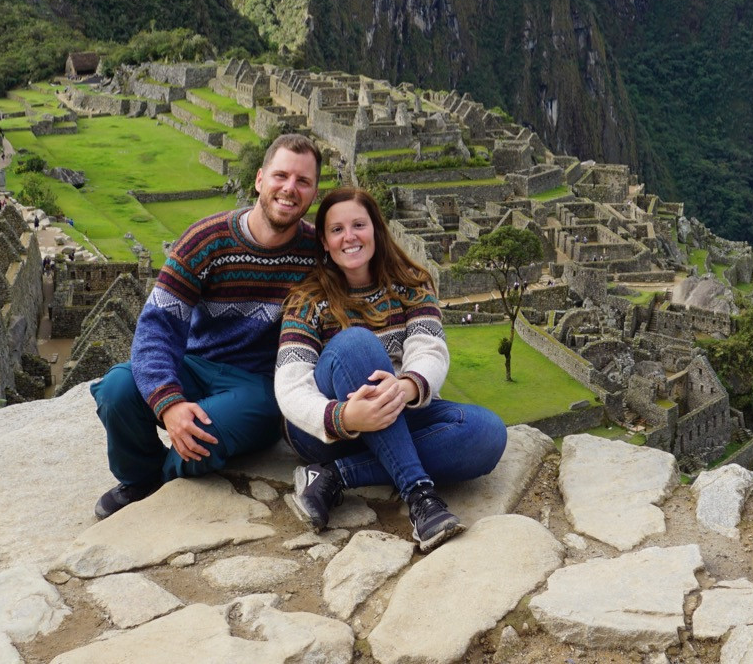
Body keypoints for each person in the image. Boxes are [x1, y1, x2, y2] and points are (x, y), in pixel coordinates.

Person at [89, 134, 323, 519]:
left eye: (303, 181)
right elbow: (157, 328)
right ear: (260, 179)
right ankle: (139, 477)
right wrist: (170, 403)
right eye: (281, 176)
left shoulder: (317, 254)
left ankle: (159, 483)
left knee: (206, 436)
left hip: (260, 384)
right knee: (117, 389)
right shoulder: (206, 240)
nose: (289, 189)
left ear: (313, 192)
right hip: (195, 363)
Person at [277, 187, 506, 551]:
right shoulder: (308, 301)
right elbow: (290, 383)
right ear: (324, 240)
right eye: (337, 230)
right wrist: (345, 416)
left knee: (488, 433)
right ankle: (420, 497)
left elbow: (428, 348)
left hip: (398, 410)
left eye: (358, 225)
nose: (349, 237)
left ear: (376, 229)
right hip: (325, 429)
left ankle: (334, 477)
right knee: (357, 344)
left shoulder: (411, 286)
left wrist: (406, 387)